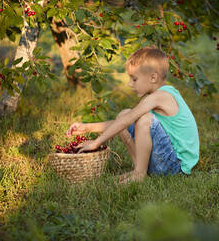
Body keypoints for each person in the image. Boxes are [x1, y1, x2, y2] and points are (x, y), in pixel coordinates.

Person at [66, 46, 199, 183]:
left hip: (175, 166)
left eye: (134, 79)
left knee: (143, 119)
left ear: (153, 77)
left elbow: (128, 120)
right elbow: (125, 120)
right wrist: (86, 128)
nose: (130, 84)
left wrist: (96, 142)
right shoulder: (155, 97)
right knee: (125, 114)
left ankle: (139, 174)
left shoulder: (161, 96)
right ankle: (140, 169)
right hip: (165, 161)